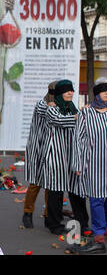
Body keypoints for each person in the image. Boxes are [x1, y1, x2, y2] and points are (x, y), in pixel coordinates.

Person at [70, 79, 107, 254]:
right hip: (94, 162)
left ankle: (104, 222)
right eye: (103, 92)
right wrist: (78, 163)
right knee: (96, 199)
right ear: (96, 95)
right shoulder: (86, 114)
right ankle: (99, 232)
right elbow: (78, 140)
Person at [37, 79, 89, 235]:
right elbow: (58, 120)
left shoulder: (73, 109)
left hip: (73, 156)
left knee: (77, 191)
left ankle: (82, 223)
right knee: (56, 192)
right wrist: (77, 118)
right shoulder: (52, 109)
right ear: (59, 93)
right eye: (66, 91)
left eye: (71, 90)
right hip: (56, 157)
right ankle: (53, 223)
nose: (70, 93)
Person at [22, 81, 58, 228]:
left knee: (51, 185)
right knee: (35, 184)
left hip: (52, 150)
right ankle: (27, 213)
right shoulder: (42, 105)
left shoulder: (59, 106)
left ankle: (48, 215)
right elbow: (49, 114)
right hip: (38, 149)